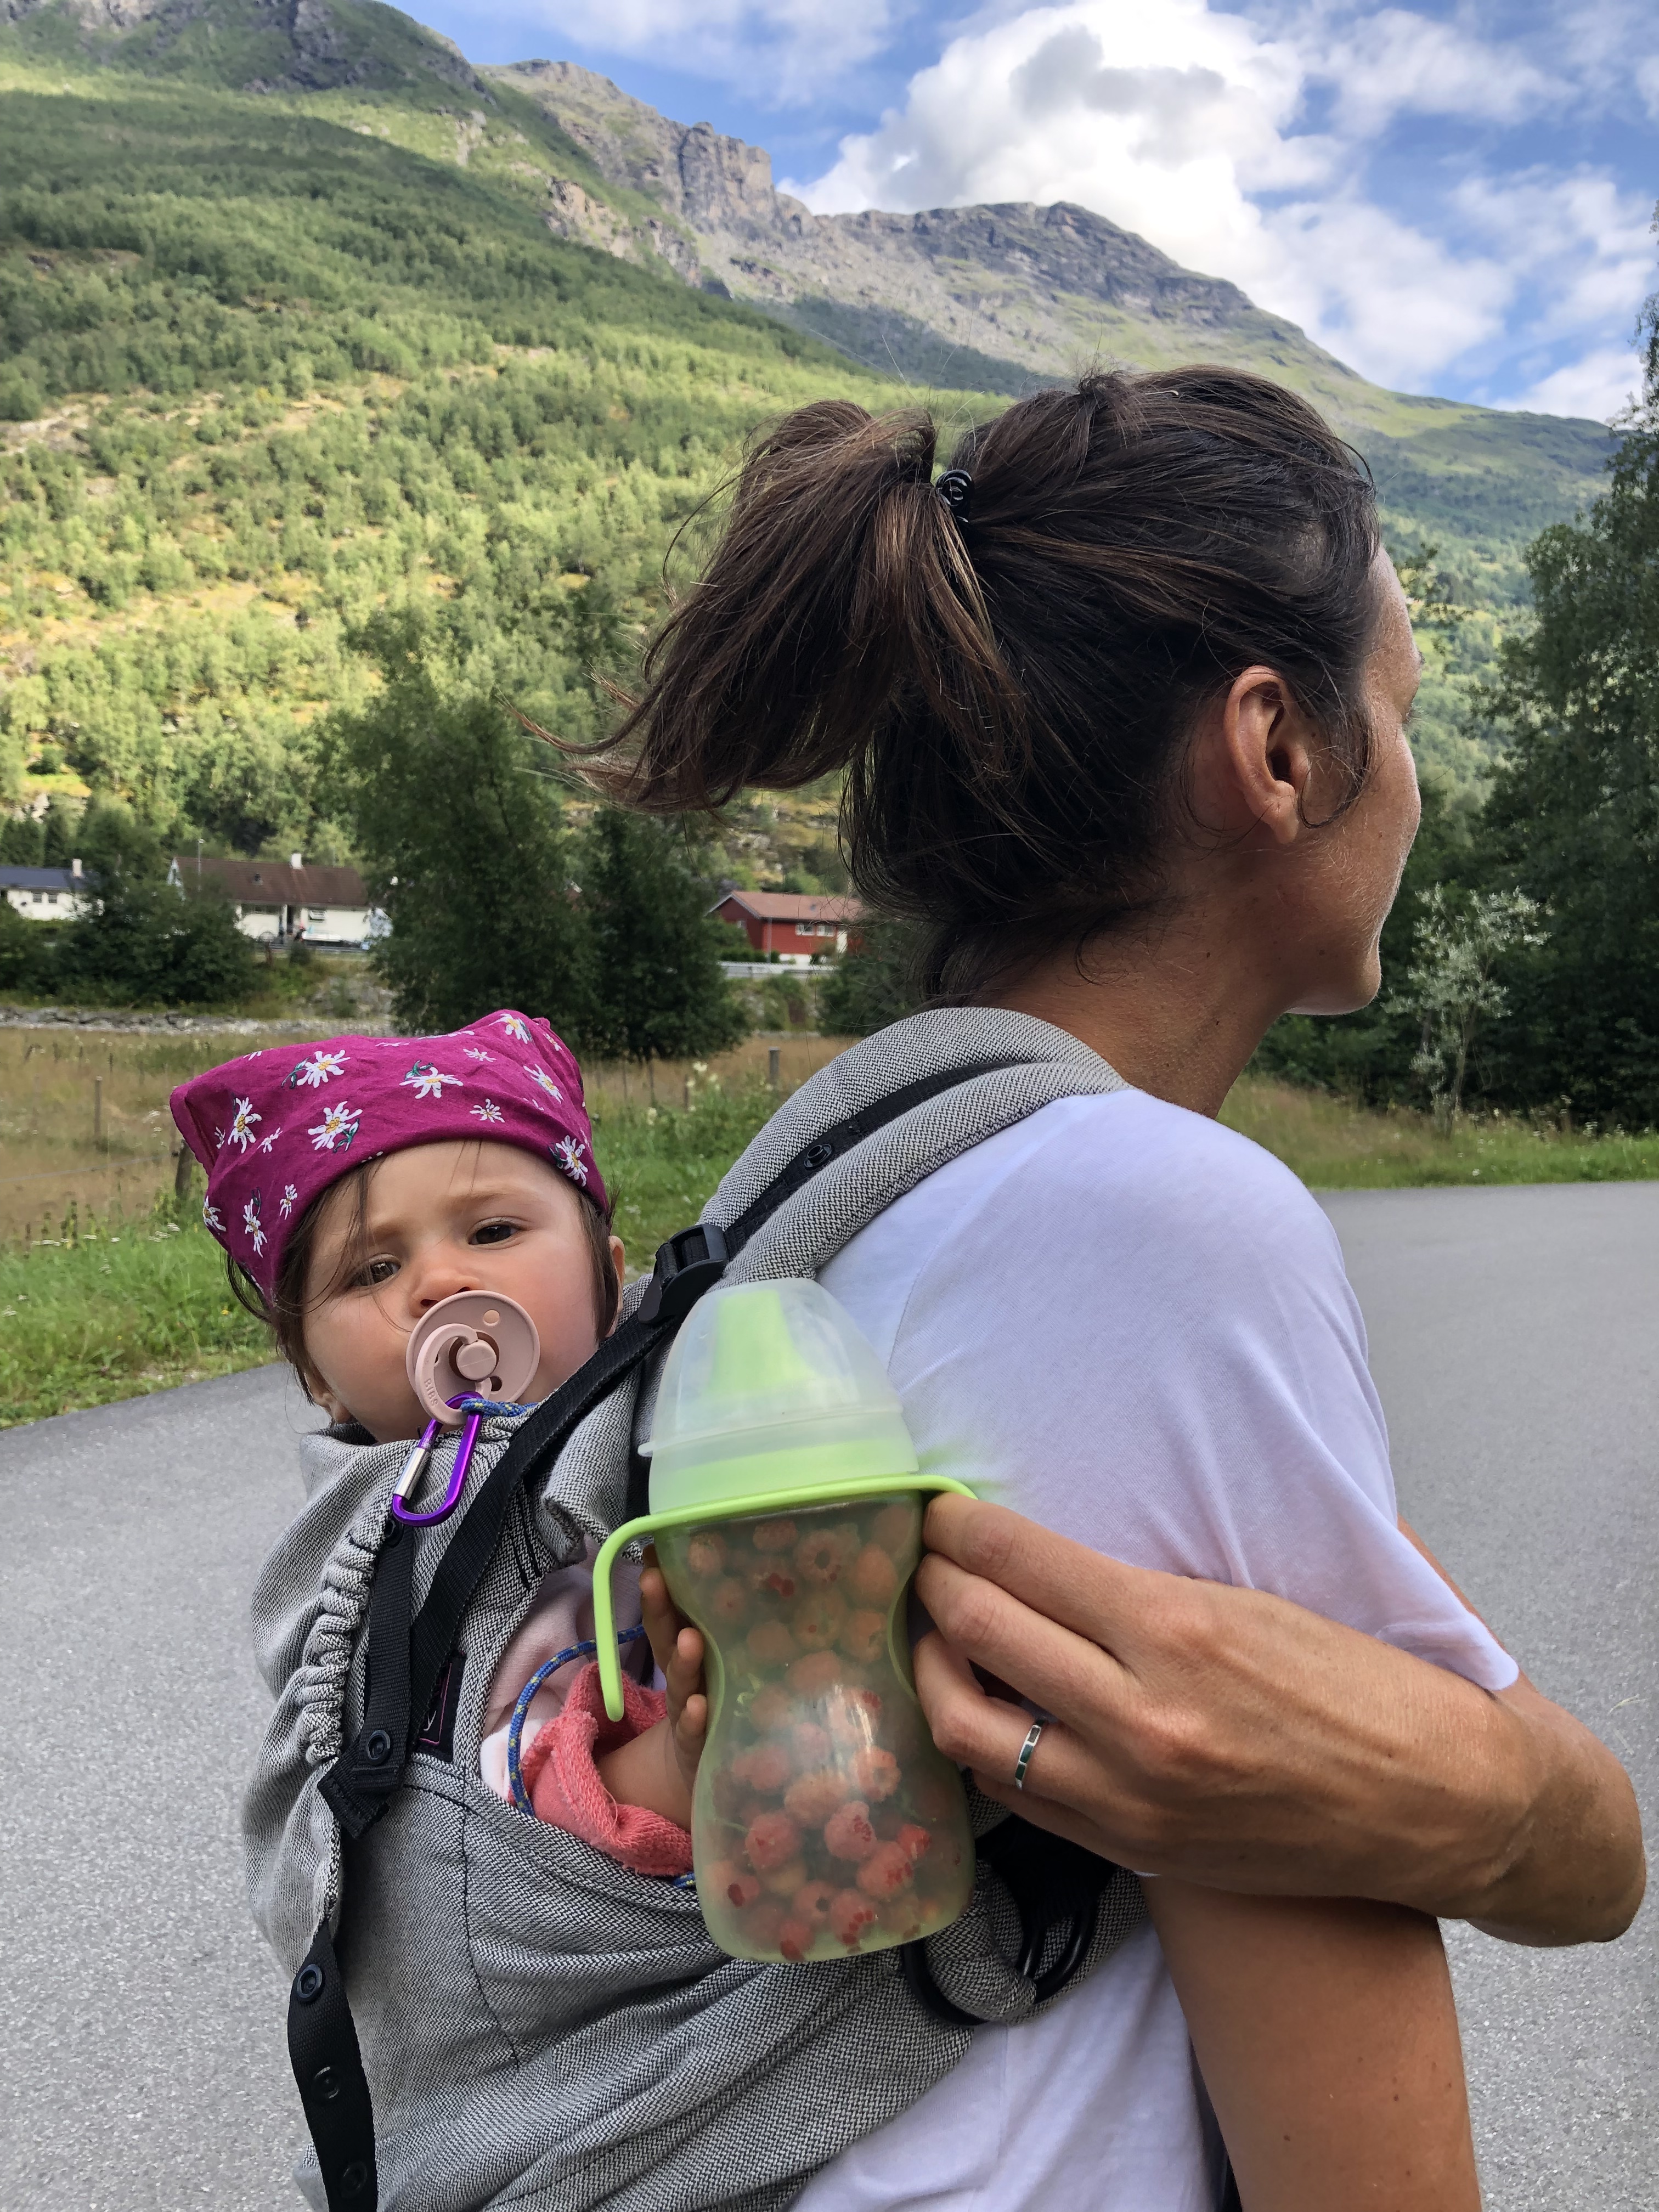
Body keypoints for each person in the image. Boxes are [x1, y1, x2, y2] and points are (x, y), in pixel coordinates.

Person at [579, 368, 1643, 2209]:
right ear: (1278, 750)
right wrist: (1526, 1803)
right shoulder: (1144, 1227)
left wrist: (1511, 1790)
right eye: (1398, 713)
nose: (1416, 777)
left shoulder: (832, 1189)